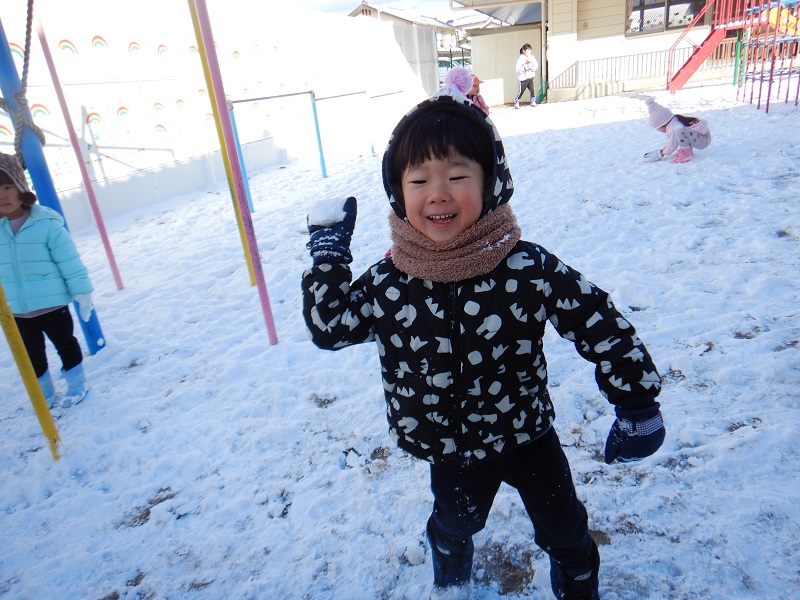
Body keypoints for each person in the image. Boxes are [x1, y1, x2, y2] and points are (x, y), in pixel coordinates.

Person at [302, 85, 665, 600]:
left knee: (564, 530)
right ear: (398, 193)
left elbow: (596, 319)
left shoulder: (525, 266)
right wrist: (328, 257)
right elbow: (331, 326)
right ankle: (451, 576)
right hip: (450, 450)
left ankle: (579, 580)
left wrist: (637, 401)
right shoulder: (391, 280)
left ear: (490, 181)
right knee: (455, 525)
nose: (438, 193)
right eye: (419, 179)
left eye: (456, 176)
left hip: (527, 435)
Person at [0, 152, 94, 409]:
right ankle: (45, 391)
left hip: (52, 304)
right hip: (16, 310)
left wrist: (83, 293)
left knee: (65, 343)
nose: (3, 196)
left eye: (8, 187)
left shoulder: (46, 224)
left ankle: (76, 383)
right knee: (31, 354)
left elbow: (69, 262)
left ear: (21, 188)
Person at [643, 97, 711, 163]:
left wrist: (660, 154)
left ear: (663, 124)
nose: (658, 130)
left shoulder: (673, 127)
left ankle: (686, 154)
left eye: (658, 128)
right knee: (680, 133)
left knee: (680, 132)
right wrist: (661, 151)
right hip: (701, 137)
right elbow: (671, 143)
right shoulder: (675, 120)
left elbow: (672, 147)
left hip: (704, 141)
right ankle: (686, 150)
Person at [515, 43, 539, 109]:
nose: (529, 51)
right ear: (524, 50)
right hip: (523, 78)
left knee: (532, 90)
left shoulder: (532, 57)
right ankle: (517, 102)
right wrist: (525, 67)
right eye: (528, 50)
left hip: (530, 76)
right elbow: (517, 69)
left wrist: (531, 67)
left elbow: (536, 65)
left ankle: (533, 101)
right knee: (521, 91)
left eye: (530, 50)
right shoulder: (520, 59)